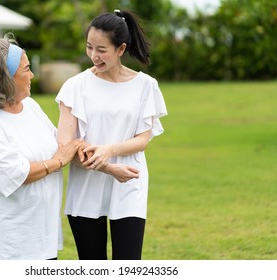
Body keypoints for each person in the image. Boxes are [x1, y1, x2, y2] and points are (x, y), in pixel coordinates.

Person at [56, 9, 167, 260]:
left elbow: (143, 139)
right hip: (85, 187)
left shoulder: (145, 86)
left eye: (102, 50)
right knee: (92, 264)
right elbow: (65, 144)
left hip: (130, 182)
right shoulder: (75, 87)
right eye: (89, 47)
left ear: (120, 49)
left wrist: (109, 151)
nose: (94, 56)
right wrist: (107, 167)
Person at [0, 33, 82, 260]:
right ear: (6, 77)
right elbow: (16, 173)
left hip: (44, 232)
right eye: (26, 69)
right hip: (14, 240)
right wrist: (58, 162)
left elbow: (60, 143)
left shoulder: (29, 105)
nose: (32, 75)